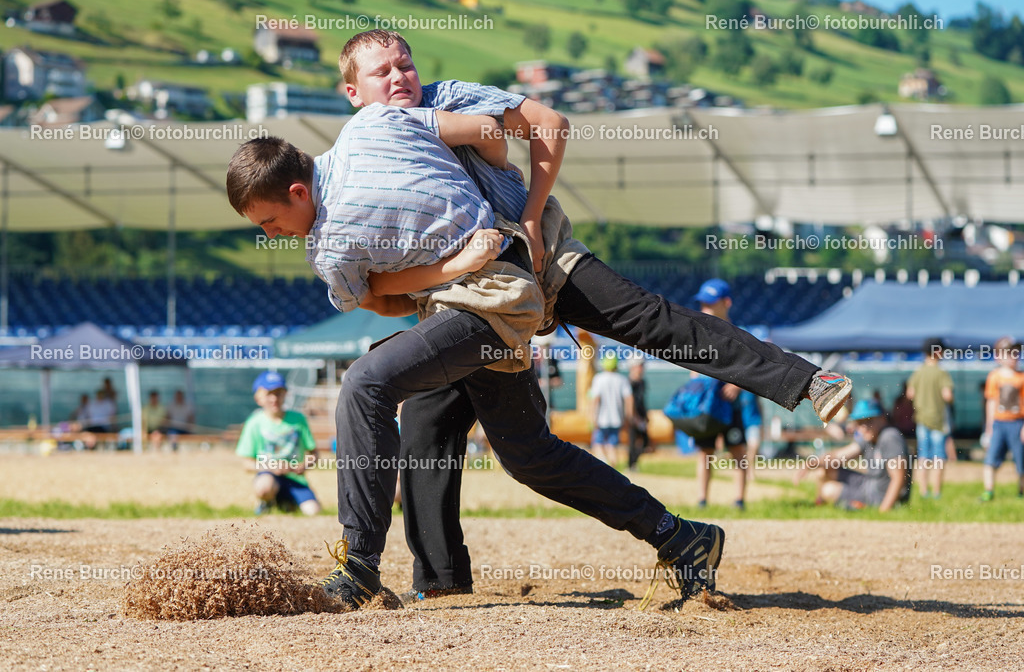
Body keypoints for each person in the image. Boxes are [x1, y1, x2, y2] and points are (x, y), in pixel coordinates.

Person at [226, 42, 851, 611]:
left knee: (652, 323)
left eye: (404, 65)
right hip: (467, 301)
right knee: (470, 440)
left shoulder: (441, 103)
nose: (399, 78)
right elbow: (375, 292)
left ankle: (807, 382)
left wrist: (523, 210)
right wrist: (452, 263)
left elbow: (545, 125)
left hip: (538, 257)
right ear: (353, 93)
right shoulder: (362, 165)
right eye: (381, 73)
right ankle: (458, 580)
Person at [692, 279, 756, 510]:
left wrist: (737, 385)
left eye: (710, 303)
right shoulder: (698, 333)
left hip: (731, 405)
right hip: (707, 405)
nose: (705, 308)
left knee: (737, 450)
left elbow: (750, 368)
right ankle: (702, 500)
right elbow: (692, 368)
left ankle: (739, 500)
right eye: (703, 303)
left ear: (726, 302)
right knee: (705, 452)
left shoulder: (740, 334)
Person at [798, 399, 910, 512]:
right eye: (860, 422)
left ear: (882, 419)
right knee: (824, 469)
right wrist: (812, 463)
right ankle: (820, 504)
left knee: (829, 490)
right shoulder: (869, 437)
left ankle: (858, 506)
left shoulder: (890, 437)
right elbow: (838, 456)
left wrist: (883, 511)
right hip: (869, 485)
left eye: (869, 420)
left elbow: (898, 479)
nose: (864, 426)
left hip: (879, 495)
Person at [235, 371, 321, 516]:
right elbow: (247, 463)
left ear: (285, 394)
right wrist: (271, 467)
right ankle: (267, 501)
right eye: (269, 393)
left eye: (279, 393)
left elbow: (314, 453)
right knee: (264, 486)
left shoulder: (298, 419)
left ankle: (288, 503)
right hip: (269, 477)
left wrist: (302, 466)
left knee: (313, 511)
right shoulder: (254, 422)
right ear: (258, 397)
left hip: (295, 478)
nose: (274, 398)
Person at [907, 338, 953, 499]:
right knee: (939, 457)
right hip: (938, 421)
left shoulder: (918, 371)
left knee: (923, 456)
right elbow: (947, 395)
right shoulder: (941, 373)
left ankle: (923, 491)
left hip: (921, 419)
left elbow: (910, 393)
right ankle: (936, 492)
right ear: (938, 351)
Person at [980, 336, 1024, 501]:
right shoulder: (994, 377)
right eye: (1009, 353)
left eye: (1016, 353)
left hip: (1018, 423)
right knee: (990, 459)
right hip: (999, 423)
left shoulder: (1022, 377)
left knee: (1021, 461)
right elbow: (991, 403)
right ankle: (988, 491)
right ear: (999, 356)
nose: (1013, 356)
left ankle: (1021, 491)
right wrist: (988, 428)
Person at [588, 354, 633, 467]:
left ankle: (604, 462)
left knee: (597, 443)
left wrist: (593, 416)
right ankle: (613, 468)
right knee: (612, 445)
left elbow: (595, 399)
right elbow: (629, 399)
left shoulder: (598, 378)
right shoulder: (622, 379)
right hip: (617, 418)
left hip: (601, 418)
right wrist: (628, 416)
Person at [626, 358, 650, 471]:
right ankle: (631, 465)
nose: (641, 369)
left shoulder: (642, 382)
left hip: (641, 416)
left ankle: (634, 463)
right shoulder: (629, 383)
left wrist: (645, 416)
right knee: (632, 441)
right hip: (633, 416)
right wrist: (633, 417)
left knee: (645, 442)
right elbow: (630, 402)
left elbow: (642, 401)